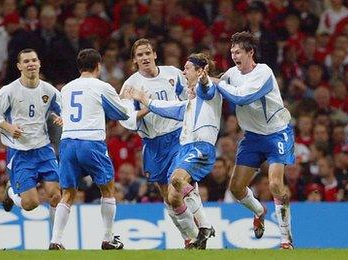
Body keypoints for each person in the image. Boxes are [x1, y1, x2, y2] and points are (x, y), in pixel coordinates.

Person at [120, 38, 211, 247]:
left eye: (147, 53)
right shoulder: (130, 86)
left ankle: (204, 226)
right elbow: (126, 119)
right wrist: (148, 106)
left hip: (178, 136)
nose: (144, 58)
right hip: (153, 144)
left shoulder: (172, 73)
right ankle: (191, 238)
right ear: (134, 60)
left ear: (155, 55)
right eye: (139, 55)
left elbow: (188, 96)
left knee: (180, 183)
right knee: (170, 198)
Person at [212, 31, 295, 249]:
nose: (234, 56)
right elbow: (216, 86)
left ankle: (286, 238)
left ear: (251, 53)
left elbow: (242, 97)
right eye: (232, 52)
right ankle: (259, 211)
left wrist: (216, 83)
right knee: (236, 189)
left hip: (277, 133)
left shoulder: (264, 72)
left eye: (238, 52)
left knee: (275, 183)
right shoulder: (231, 73)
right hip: (252, 138)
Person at [49, 49, 134, 250]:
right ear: (99, 66)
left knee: (68, 193)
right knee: (108, 189)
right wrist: (128, 101)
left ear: (79, 67)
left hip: (68, 142)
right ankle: (108, 238)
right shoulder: (102, 86)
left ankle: (56, 240)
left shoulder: (67, 88)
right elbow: (121, 114)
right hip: (91, 142)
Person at [0, 49, 62, 220]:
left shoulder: (49, 90)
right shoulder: (9, 91)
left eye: (34, 60)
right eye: (26, 61)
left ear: (39, 63)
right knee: (31, 204)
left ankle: (56, 242)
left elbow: (65, 108)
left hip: (44, 149)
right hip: (20, 153)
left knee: (56, 195)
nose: (31, 64)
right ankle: (12, 192)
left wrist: (62, 118)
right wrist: (9, 128)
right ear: (19, 66)